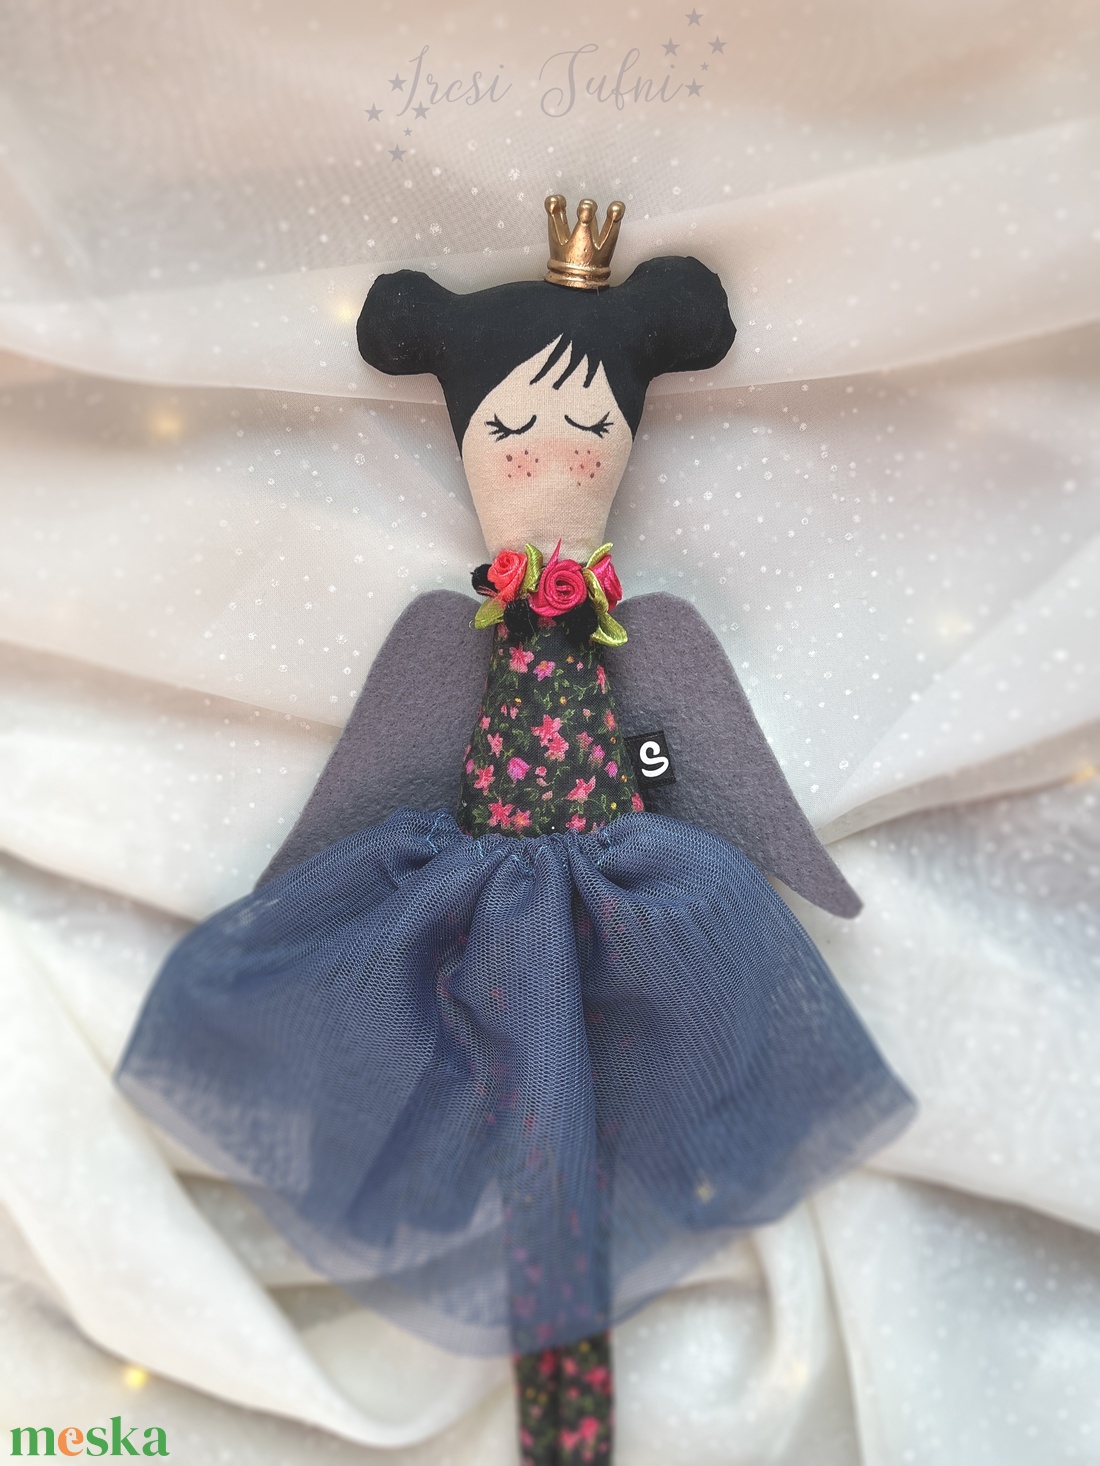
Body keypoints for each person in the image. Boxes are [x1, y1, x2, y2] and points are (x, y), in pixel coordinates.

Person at [118, 197, 914, 1466]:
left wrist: (718, 821)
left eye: (588, 430)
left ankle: (570, 1429)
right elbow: (371, 784)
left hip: (622, 899)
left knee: (588, 1127)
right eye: (513, 430)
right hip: (481, 910)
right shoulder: (448, 637)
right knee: (525, 1126)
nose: (552, 453)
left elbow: (684, 755)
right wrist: (282, 910)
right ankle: (561, 1426)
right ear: (471, 440)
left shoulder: (645, 633)